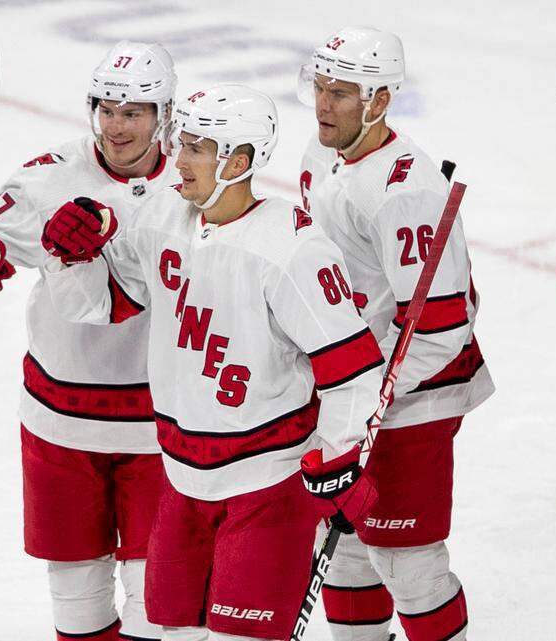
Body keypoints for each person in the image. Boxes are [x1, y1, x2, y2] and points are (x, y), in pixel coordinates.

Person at [40, 83, 387, 641]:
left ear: (239, 160)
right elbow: (101, 301)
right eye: (184, 144)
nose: (179, 160)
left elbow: (351, 370)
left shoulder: (290, 247)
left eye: (197, 148)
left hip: (265, 485)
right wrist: (69, 257)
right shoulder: (160, 218)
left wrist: (339, 456)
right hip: (179, 482)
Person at [0, 41, 177, 641]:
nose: (117, 126)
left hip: (161, 422)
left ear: (164, 115)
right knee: (76, 595)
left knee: (156, 598)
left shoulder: (191, 187)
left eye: (135, 112)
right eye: (107, 109)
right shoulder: (49, 174)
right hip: (59, 420)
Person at [298, 27, 493, 641]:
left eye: (342, 93)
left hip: (412, 394)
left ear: (379, 101)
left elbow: (441, 330)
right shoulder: (322, 152)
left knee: (409, 564)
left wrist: (369, 397)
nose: (324, 105)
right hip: (347, 386)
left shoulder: (405, 191)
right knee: (345, 548)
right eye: (321, 87)